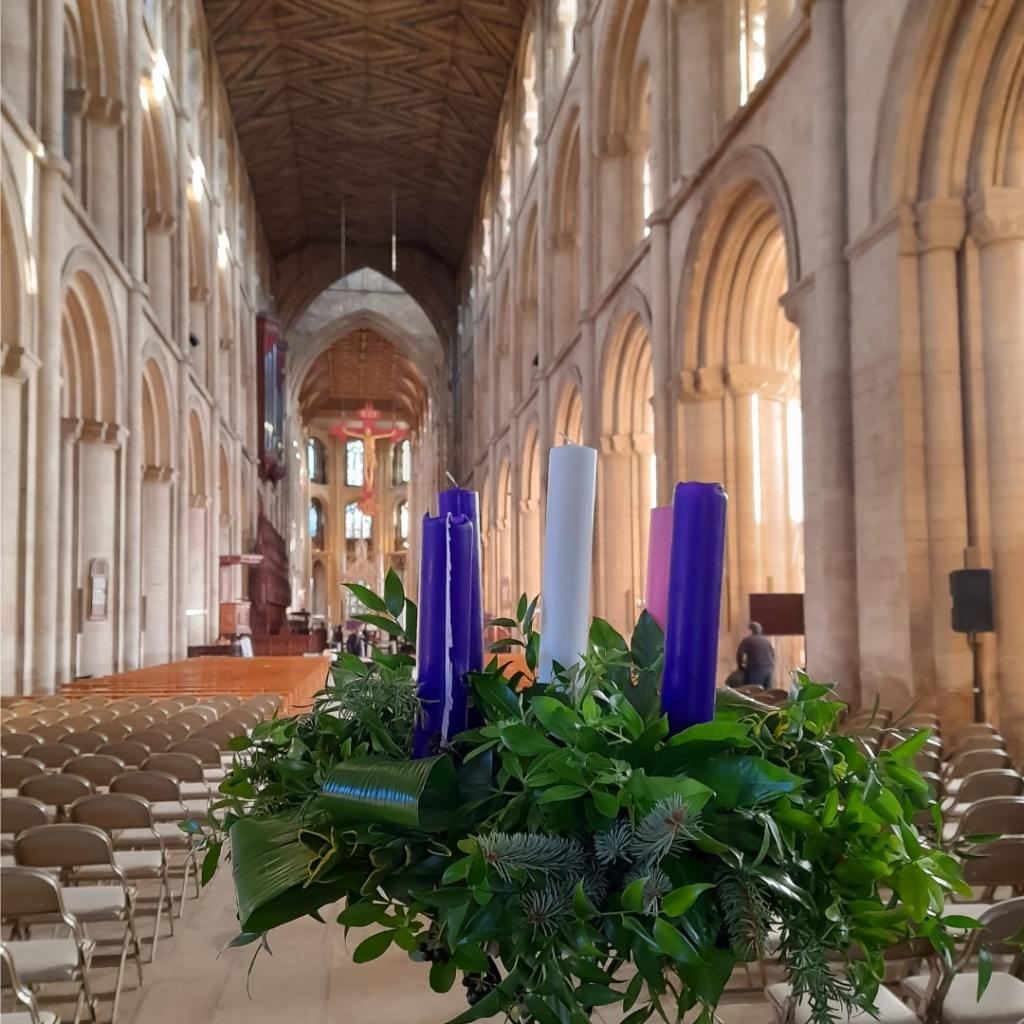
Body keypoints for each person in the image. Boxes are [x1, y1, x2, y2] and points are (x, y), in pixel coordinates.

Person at [736, 621, 775, 689]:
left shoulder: (747, 640)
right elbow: (772, 654)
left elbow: (740, 655)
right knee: (768, 691)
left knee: (754, 691)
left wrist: (741, 667)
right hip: (769, 669)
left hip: (756, 669)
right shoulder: (766, 640)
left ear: (750, 630)